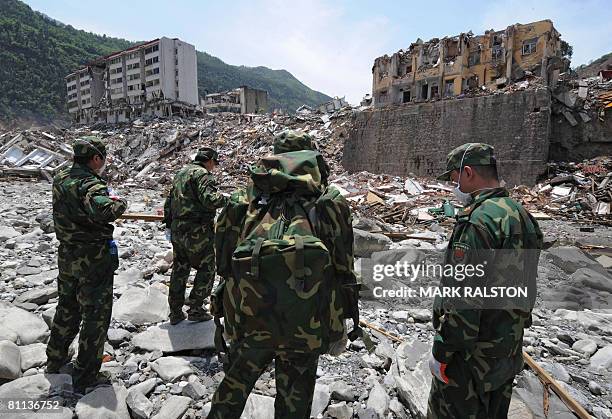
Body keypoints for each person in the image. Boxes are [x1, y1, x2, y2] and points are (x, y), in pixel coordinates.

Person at [208, 131, 359, 419]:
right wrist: (342, 321)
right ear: (311, 157)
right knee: (295, 399)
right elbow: (344, 267)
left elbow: (224, 262)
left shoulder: (244, 198)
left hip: (250, 316)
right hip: (307, 321)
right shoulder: (330, 201)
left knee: (235, 384)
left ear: (273, 157)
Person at [427, 143, 543, 418]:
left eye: (454, 178)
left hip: (470, 361)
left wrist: (442, 351)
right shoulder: (522, 216)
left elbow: (465, 300)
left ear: (468, 173)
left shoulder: (477, 222)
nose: (453, 185)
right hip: (506, 350)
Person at [46, 136, 127, 393]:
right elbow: (104, 210)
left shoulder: (60, 178)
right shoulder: (90, 183)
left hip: (67, 255)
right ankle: (86, 375)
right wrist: (121, 203)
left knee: (67, 307)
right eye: (102, 159)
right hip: (92, 258)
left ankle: (55, 358)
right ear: (95, 158)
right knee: (95, 315)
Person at [163, 148, 227, 325]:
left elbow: (169, 201)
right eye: (214, 163)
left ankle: (175, 312)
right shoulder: (202, 175)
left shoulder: (181, 173)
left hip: (178, 228)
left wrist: (169, 224)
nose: (214, 167)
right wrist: (228, 200)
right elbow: (210, 199)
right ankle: (196, 309)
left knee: (180, 268)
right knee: (207, 267)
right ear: (209, 161)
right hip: (197, 229)